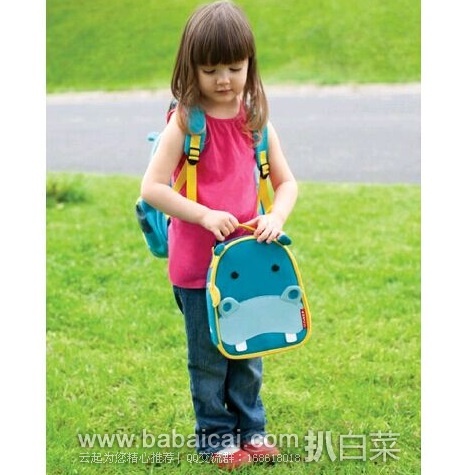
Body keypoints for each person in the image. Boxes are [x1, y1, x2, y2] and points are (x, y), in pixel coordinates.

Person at [141, 0, 298, 469]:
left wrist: (276, 217)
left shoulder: (255, 120)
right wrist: (204, 215)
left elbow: (287, 183)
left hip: (247, 263)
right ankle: (215, 437)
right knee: (209, 359)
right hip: (197, 269)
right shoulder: (186, 122)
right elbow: (152, 187)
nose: (224, 79)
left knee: (249, 351)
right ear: (191, 67)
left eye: (235, 67)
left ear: (250, 63)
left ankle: (252, 430)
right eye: (210, 70)